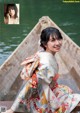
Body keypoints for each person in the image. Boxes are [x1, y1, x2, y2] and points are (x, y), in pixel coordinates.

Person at [2, 27, 80, 113]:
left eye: (59, 39)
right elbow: (30, 85)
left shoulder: (42, 53)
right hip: (41, 102)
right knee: (76, 100)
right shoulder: (46, 64)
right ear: (45, 44)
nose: (58, 43)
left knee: (66, 89)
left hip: (42, 91)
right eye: (53, 40)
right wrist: (13, 109)